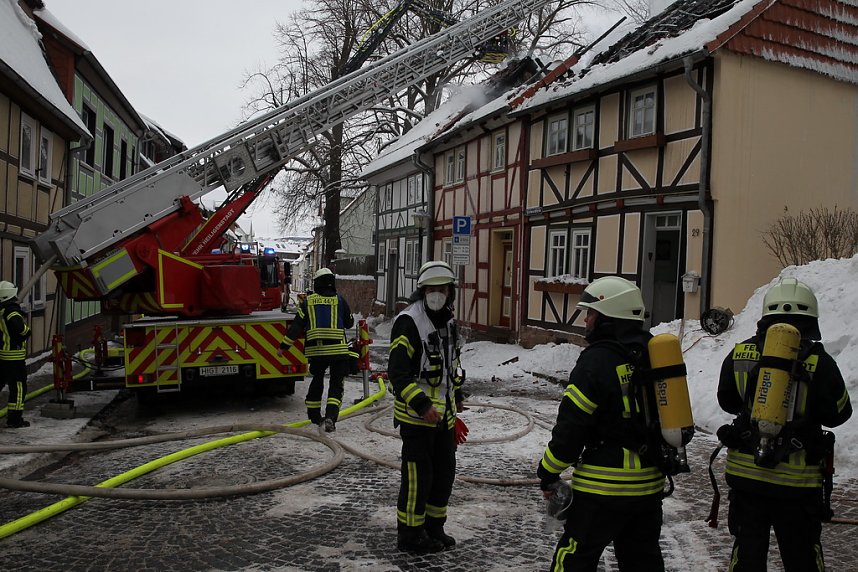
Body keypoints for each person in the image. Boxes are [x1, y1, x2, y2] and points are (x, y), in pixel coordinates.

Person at [716, 277, 852, 571]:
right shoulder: (820, 362)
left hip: (747, 479)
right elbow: (839, 414)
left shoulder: (739, 354)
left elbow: (727, 401)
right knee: (802, 558)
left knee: (747, 556)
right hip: (797, 484)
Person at [537, 276, 667, 571]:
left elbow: (571, 430)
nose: (586, 320)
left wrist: (547, 472)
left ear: (609, 317)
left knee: (573, 558)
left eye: (591, 313)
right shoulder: (654, 354)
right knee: (642, 561)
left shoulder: (596, 361)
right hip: (649, 487)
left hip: (603, 489)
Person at [389, 261, 465, 555]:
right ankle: (410, 534)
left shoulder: (448, 321)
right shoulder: (409, 322)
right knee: (418, 479)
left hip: (444, 418)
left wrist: (458, 394)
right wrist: (422, 405)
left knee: (443, 476)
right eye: (431, 289)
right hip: (417, 419)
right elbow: (398, 373)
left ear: (450, 292)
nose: (437, 294)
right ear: (422, 291)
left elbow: (450, 365)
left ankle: (434, 528)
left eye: (442, 289)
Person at [278, 268, 354, 432]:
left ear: (317, 284)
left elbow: (297, 326)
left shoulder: (308, 302)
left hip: (317, 352)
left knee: (317, 381)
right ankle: (331, 417)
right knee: (336, 385)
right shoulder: (340, 300)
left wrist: (284, 346)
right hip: (338, 352)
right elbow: (349, 323)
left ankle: (314, 416)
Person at [0, 281, 31, 429]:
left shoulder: (1, 311)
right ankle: (15, 419)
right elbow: (21, 329)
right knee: (18, 388)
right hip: (14, 357)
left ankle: (13, 417)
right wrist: (27, 331)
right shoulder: (11, 311)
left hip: (3, 356)